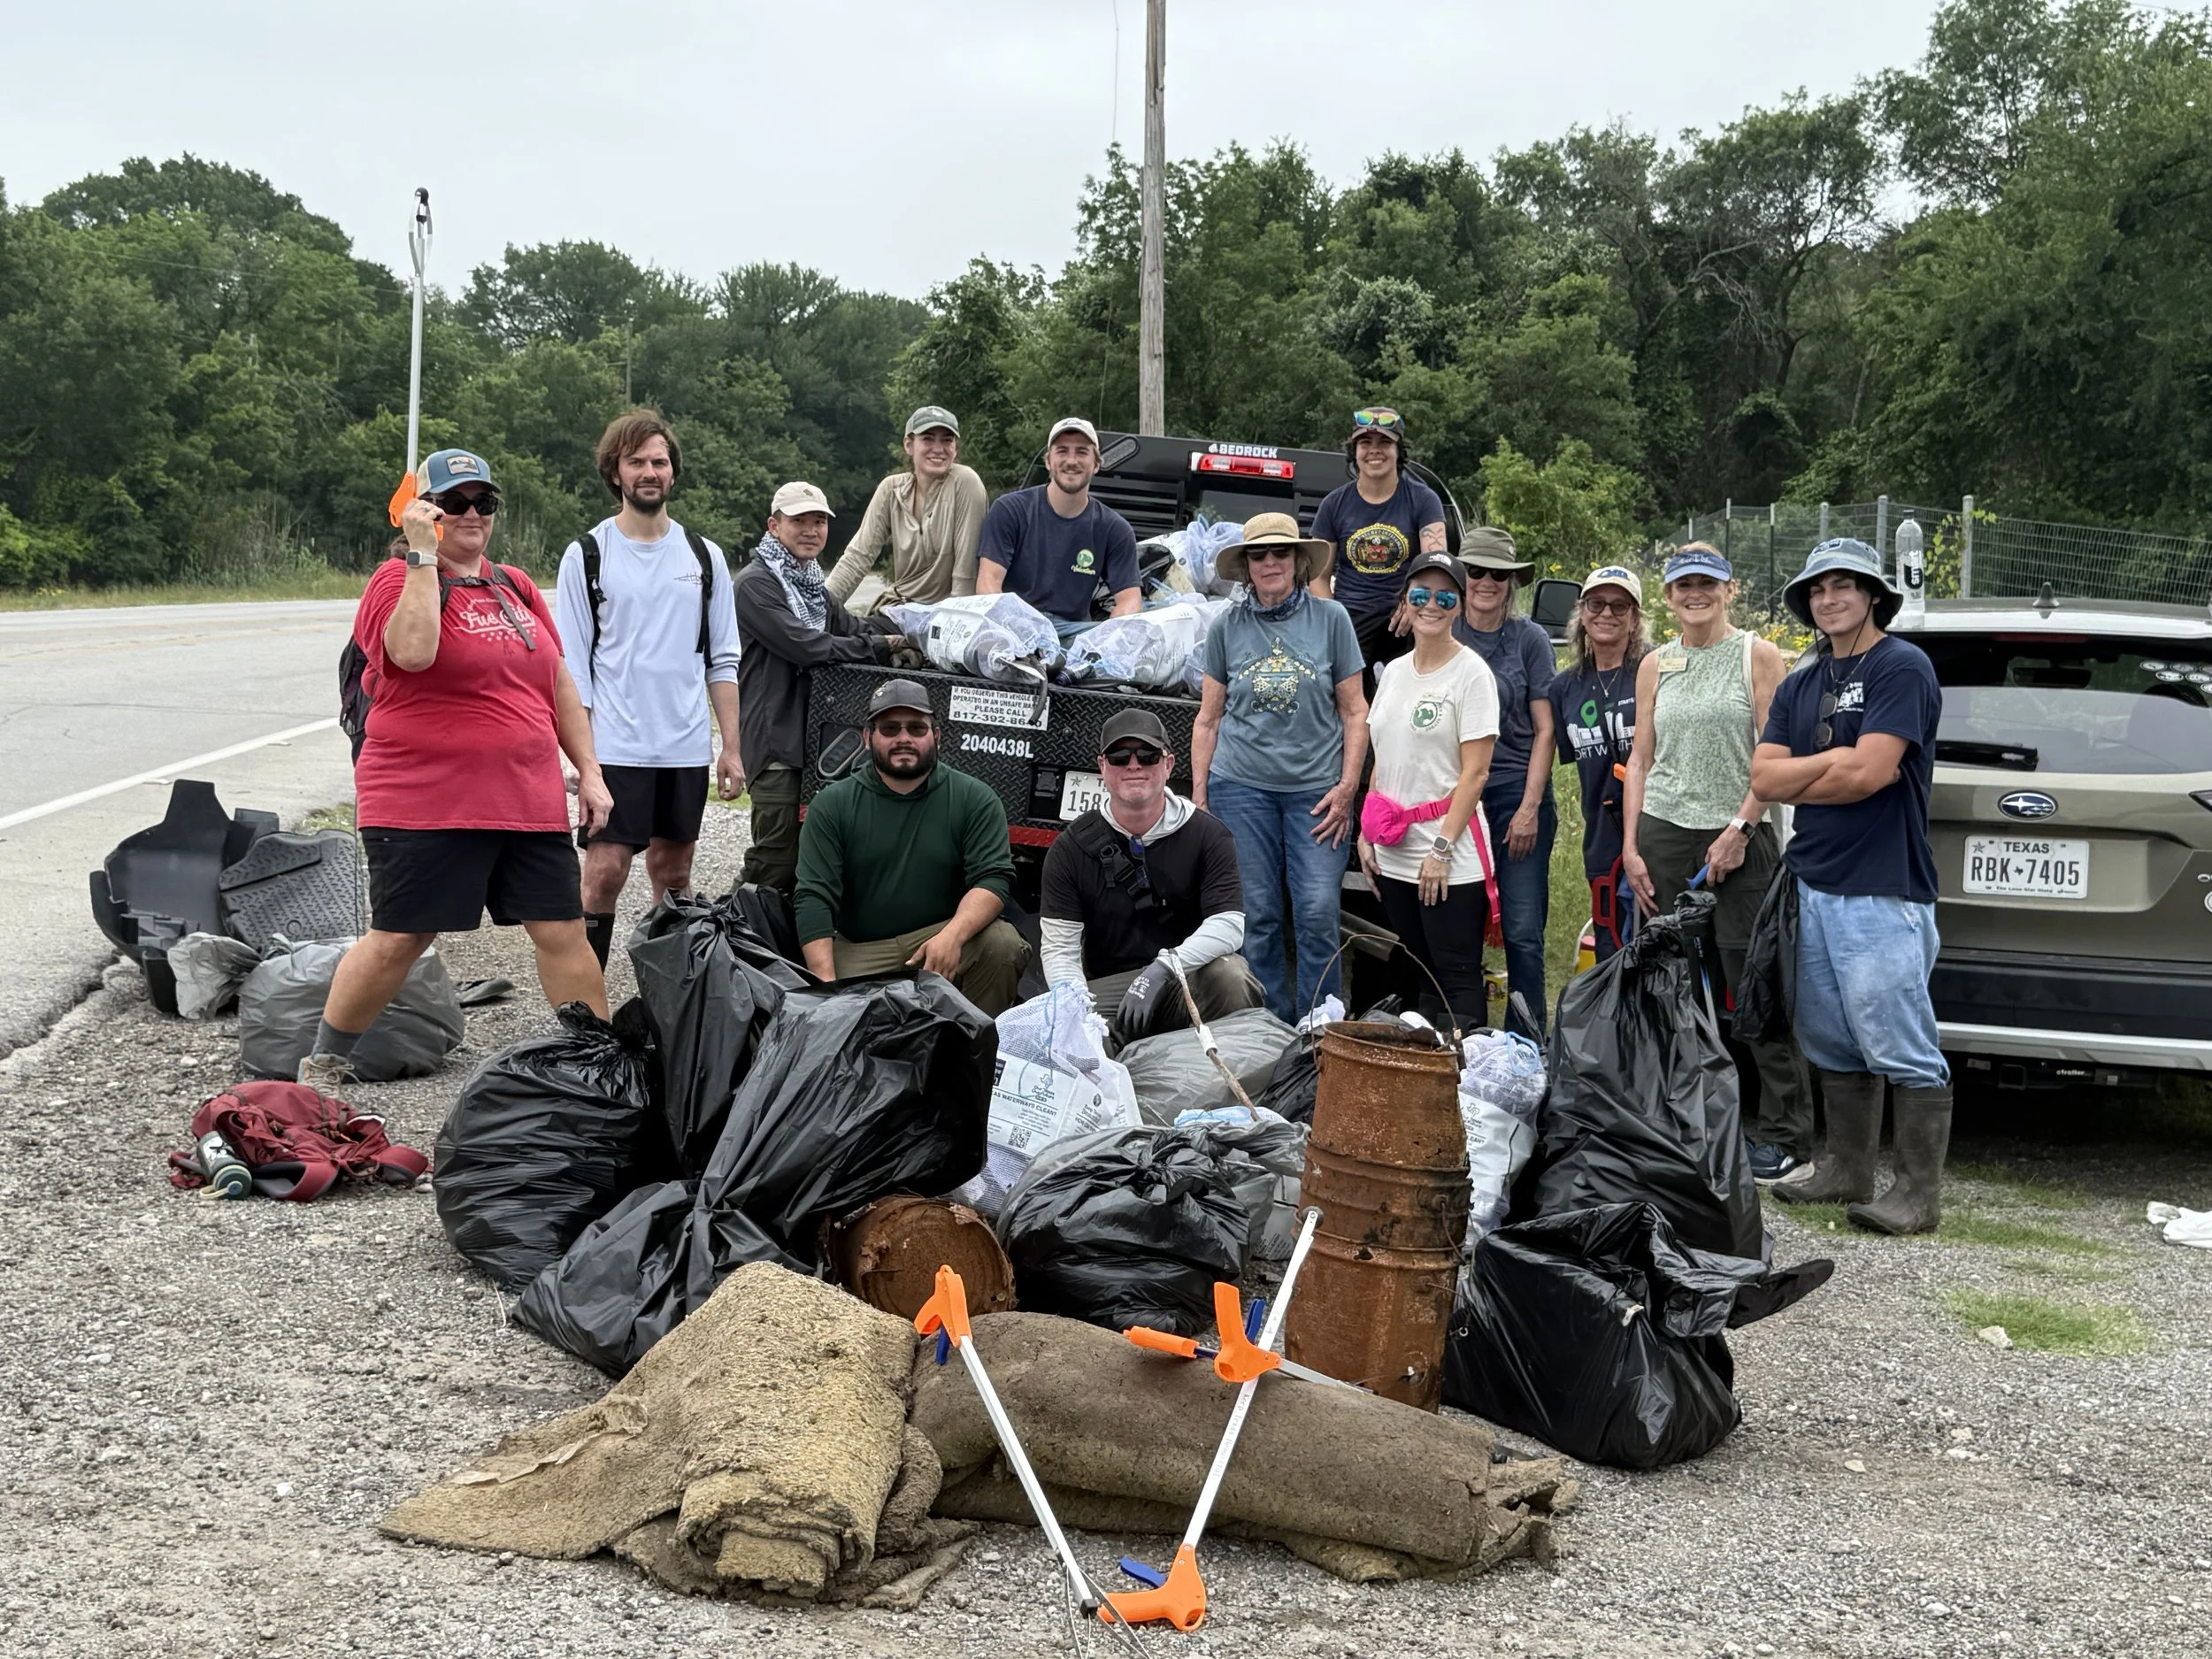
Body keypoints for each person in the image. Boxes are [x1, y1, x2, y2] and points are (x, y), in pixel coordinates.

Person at [300, 449, 611, 1089]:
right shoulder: (396, 580)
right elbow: (412, 653)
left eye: (483, 502)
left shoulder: (515, 585)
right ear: (424, 510)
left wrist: (590, 769)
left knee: (563, 930)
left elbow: (555, 681)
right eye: (454, 502)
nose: (471, 514)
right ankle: (322, 1069)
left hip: (526, 799)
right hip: (423, 800)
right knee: (399, 938)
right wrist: (420, 555)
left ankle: (597, 1065)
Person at [1755, 539, 1951, 1234]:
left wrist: (1825, 768)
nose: (1828, 598)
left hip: (1882, 888)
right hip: (1813, 883)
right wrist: (1838, 757)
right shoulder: (1802, 682)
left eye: (1844, 585)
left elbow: (1873, 774)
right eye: (1817, 589)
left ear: (1872, 595)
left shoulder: (1904, 667)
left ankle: (1919, 1193)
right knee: (1830, 1035)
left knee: (1898, 1036)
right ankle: (1847, 1168)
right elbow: (1763, 778)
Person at [1621, 543, 1812, 1181]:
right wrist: (1631, 846)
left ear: (1730, 590)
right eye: (1682, 586)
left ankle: (1785, 1131)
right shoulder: (1655, 663)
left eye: (1707, 584)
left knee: (1751, 975)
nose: (1694, 595)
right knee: (1670, 976)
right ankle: (1680, 1115)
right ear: (1668, 598)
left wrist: (1740, 826)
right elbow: (1642, 760)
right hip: (1666, 831)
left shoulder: (1757, 656)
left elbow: (1776, 754)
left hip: (1740, 835)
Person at [557, 411, 743, 968]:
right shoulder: (587, 555)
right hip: (615, 746)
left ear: (672, 472)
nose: (648, 472)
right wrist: (581, 757)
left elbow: (724, 660)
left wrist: (730, 747)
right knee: (604, 872)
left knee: (675, 875)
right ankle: (583, 1015)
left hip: (683, 747)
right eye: (635, 462)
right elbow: (572, 670)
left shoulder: (705, 558)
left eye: (658, 461)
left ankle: (671, 1011)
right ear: (615, 473)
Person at [1190, 512, 1367, 1024]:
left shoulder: (1332, 620)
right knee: (1259, 916)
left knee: (1316, 913)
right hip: (1240, 789)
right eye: (1259, 554)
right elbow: (1208, 719)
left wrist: (1348, 786)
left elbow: (1356, 711)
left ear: (1298, 560)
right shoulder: (1226, 626)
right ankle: (1264, 1029)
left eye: (1280, 553)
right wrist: (1201, 799)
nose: (1270, 562)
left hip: (1318, 793)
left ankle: (1319, 1029)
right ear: (1245, 566)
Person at [793, 678, 1031, 1015]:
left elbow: (993, 880)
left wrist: (953, 936)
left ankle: (975, 1055)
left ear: (936, 735)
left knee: (1002, 944)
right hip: (861, 949)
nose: (903, 738)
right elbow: (813, 897)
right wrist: (825, 991)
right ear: (868, 737)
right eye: (890, 728)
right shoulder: (831, 804)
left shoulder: (975, 798)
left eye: (916, 728)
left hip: (940, 939)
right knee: (828, 1012)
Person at [1041, 709, 1264, 1045]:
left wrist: (1163, 969)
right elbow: (1060, 949)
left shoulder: (1209, 835)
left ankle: (1228, 1082)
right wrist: (1073, 1009)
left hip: (1186, 976)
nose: (1134, 766)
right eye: (1119, 756)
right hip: (1111, 987)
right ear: (1102, 767)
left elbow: (1229, 926)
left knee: (1232, 974)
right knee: (1065, 1026)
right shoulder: (1068, 849)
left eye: (1147, 755)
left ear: (1169, 765)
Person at [732, 480, 906, 895]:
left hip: (813, 743)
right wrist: (879, 647)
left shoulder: (811, 586)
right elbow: (806, 645)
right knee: (774, 859)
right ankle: (718, 939)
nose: (811, 530)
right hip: (775, 742)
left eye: (819, 522)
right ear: (774, 526)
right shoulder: (756, 584)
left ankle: (779, 951)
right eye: (799, 521)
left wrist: (911, 630)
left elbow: (852, 627)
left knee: (815, 858)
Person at [1356, 552, 1501, 1034]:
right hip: (1394, 846)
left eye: (1444, 597)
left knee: (1456, 973)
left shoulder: (1472, 674)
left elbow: (1476, 774)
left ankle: (1470, 1086)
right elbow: (1382, 755)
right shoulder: (1394, 672)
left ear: (1459, 606)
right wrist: (1366, 830)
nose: (1431, 605)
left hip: (1446, 849)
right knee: (1420, 968)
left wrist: (1441, 849)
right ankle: (1427, 1083)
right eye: (1420, 595)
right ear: (1405, 602)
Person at [1454, 527, 1557, 1038]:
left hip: (1515, 787)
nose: (1486, 582)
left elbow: (1546, 729)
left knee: (1522, 930)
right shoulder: (1440, 629)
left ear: (1513, 582)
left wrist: (1530, 807)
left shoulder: (1530, 640)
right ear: (1463, 575)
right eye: (1476, 571)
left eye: (1499, 573)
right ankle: (1466, 1043)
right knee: (1460, 928)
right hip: (1456, 797)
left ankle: (1527, 1045)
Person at [1547, 565, 1653, 964]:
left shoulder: (1654, 670)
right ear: (1582, 613)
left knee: (1655, 939)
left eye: (1619, 606)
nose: (1606, 614)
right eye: (1596, 603)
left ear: (1635, 618)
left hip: (1656, 830)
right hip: (1602, 836)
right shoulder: (1565, 687)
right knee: (1610, 942)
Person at [1309, 406, 1448, 683]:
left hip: (1406, 615)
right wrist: (1336, 623)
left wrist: (1415, 602)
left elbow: (1437, 563)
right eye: (1365, 443)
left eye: (1385, 442)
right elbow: (1317, 577)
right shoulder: (1333, 505)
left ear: (1399, 450)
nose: (1374, 450)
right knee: (1339, 697)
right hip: (1351, 617)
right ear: (1354, 451)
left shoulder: (1423, 499)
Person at [975, 416, 1141, 637]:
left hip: (1074, 634)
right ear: (1047, 461)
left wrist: (1111, 636)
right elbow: (988, 584)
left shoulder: (1115, 529)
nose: (1071, 460)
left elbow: (1130, 602)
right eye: (1062, 451)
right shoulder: (1009, 510)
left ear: (1097, 464)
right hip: (1014, 627)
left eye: (1082, 452)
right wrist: (1012, 632)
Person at [824, 404, 987, 609]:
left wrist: (955, 623)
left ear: (955, 449)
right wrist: (820, 608)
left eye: (947, 440)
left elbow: (966, 572)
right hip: (899, 608)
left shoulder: (965, 482)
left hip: (944, 612)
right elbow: (858, 557)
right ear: (909, 445)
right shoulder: (891, 489)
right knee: (844, 637)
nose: (938, 449)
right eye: (927, 438)